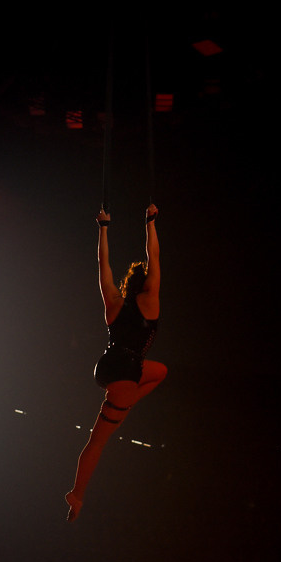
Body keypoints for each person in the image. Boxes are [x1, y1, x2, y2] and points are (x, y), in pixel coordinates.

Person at [65, 205, 167, 521]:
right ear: (147, 282)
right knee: (98, 441)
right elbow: (155, 258)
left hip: (110, 365)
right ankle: (76, 496)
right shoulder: (151, 301)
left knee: (161, 370)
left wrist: (104, 228)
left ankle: (123, 407)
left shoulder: (114, 302)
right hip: (125, 373)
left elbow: (103, 265)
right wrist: (149, 223)